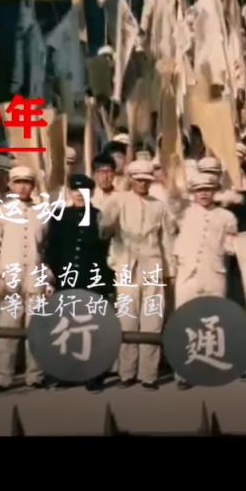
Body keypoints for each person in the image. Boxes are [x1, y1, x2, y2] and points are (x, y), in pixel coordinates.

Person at [100, 159, 176, 390]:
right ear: (131, 179)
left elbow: (167, 240)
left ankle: (149, 374)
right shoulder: (118, 200)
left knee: (152, 320)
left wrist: (170, 271)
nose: (143, 183)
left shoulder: (159, 206)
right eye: (139, 180)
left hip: (152, 265)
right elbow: (104, 230)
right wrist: (108, 220)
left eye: (146, 180)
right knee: (127, 319)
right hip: (126, 264)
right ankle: (127, 372)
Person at [45, 175, 115, 392]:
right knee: (67, 326)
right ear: (70, 192)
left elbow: (107, 249)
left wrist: (107, 282)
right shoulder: (59, 215)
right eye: (75, 190)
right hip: (67, 278)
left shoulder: (99, 216)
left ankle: (95, 374)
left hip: (92, 278)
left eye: (84, 191)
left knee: (93, 327)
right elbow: (52, 247)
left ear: (91, 193)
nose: (79, 194)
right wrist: (53, 275)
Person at [171, 174, 239, 388]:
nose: (203, 193)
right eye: (199, 190)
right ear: (193, 192)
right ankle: (183, 372)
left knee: (213, 322)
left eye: (208, 189)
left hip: (214, 273)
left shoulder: (227, 216)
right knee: (185, 321)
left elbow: (231, 246)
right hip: (187, 274)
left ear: (214, 191)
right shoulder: (183, 213)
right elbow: (171, 197)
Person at [0, 165, 50, 392]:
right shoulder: (0, 212)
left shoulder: (41, 213)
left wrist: (47, 277)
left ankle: (36, 375)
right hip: (9, 277)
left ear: (33, 185)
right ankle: (2, 377)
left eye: (27, 182)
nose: (23, 187)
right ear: (10, 184)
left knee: (36, 328)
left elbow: (45, 247)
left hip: (34, 277)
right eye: (18, 182)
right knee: (8, 330)